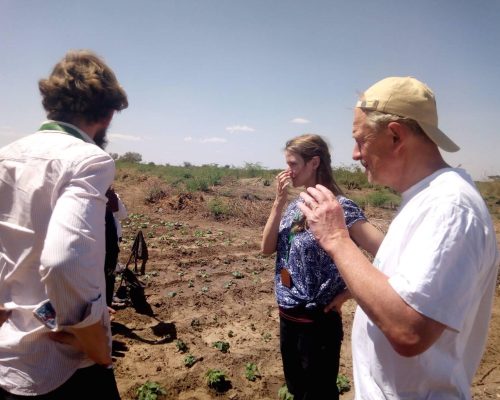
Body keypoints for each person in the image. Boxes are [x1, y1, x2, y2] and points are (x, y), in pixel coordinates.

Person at [299, 77, 499, 399]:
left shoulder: (450, 207)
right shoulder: (427, 199)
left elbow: (409, 329)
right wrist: (356, 288)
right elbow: (406, 285)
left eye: (360, 140)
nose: (354, 154)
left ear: (395, 135)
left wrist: (337, 238)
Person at [0, 50, 128, 399]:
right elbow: (63, 262)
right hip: (63, 371)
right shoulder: (88, 160)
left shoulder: (7, 156)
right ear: (108, 113)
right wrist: (95, 339)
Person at [261, 134, 384, 400]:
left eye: (293, 164)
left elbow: (387, 253)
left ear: (314, 162)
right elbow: (267, 248)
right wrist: (278, 202)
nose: (287, 171)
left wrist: (347, 293)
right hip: (288, 317)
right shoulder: (297, 205)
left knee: (318, 394)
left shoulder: (339, 208)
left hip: (317, 324)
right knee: (296, 389)